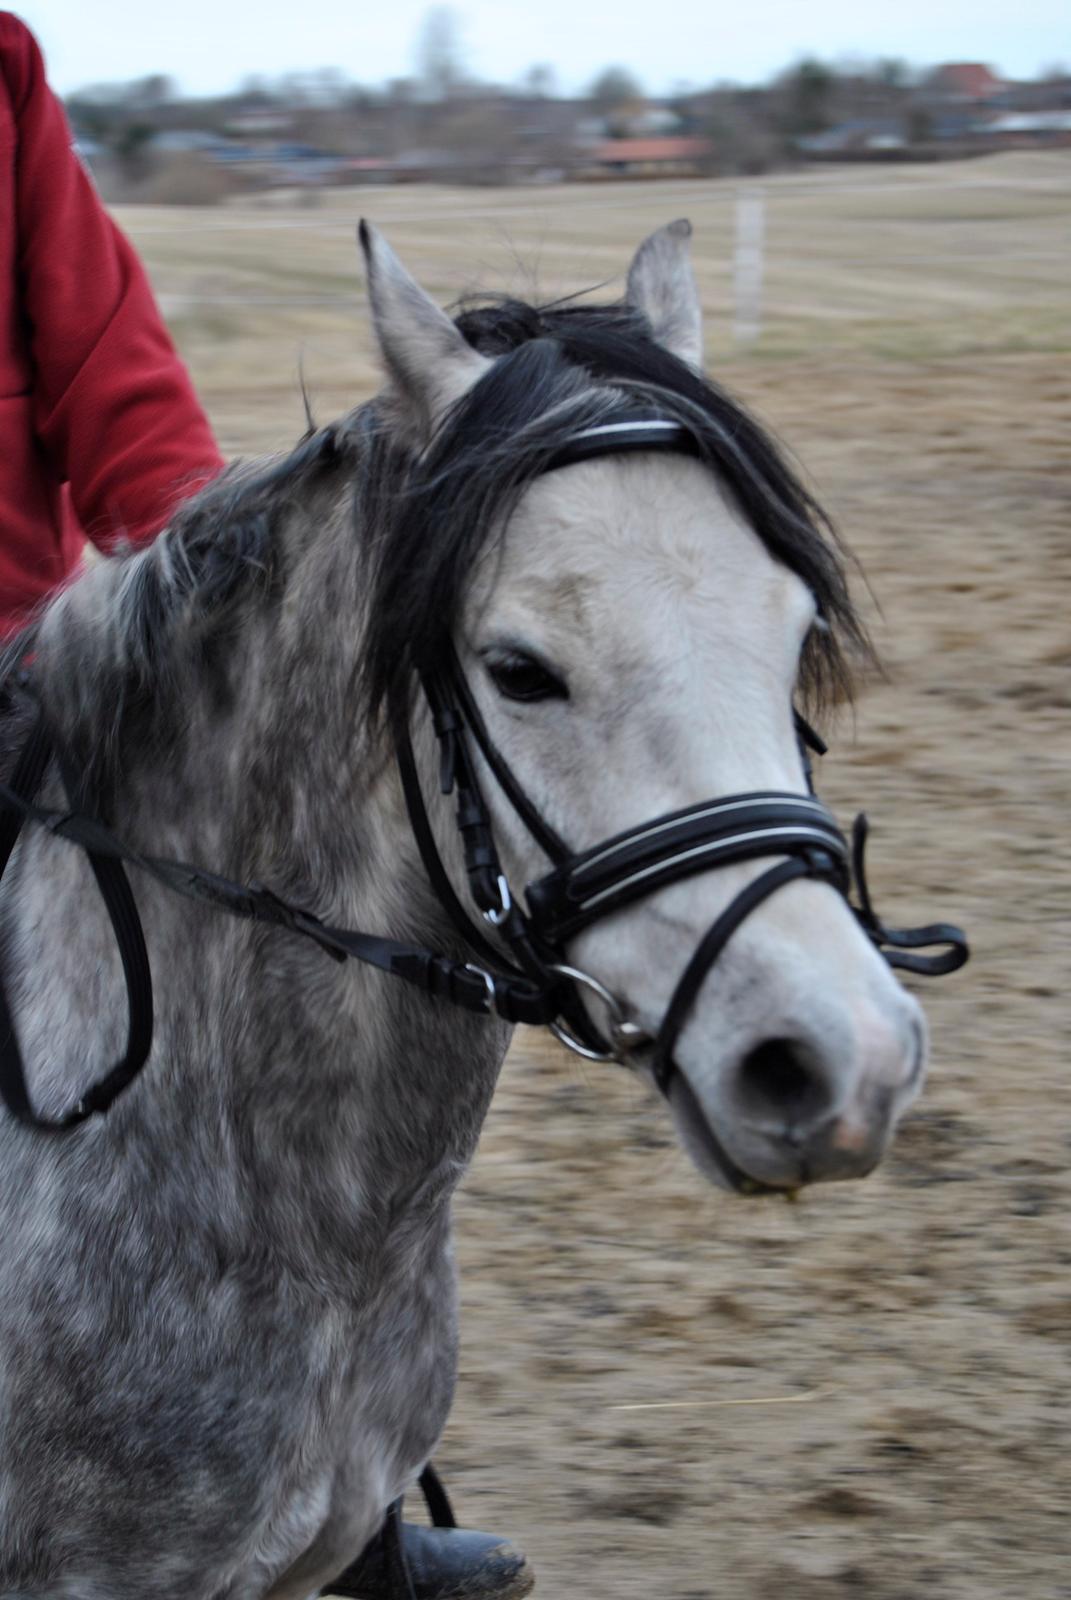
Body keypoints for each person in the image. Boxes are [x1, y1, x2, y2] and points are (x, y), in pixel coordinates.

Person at [0, 15, 531, 1599]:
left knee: (300, 971)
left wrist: (209, 613)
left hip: (35, 670)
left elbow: (110, 371)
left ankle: (341, 1493)